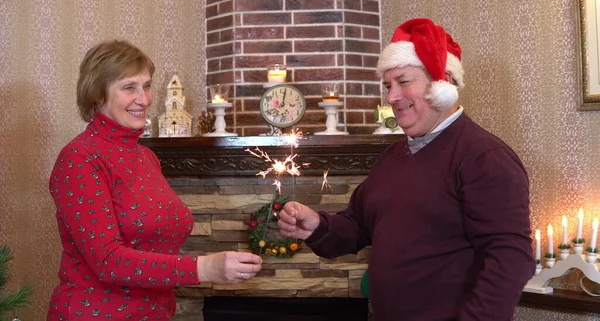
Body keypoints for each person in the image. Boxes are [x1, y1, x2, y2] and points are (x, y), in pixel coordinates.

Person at [278, 18, 535, 320]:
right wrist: (318, 227)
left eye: (403, 82)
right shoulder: (393, 156)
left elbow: (510, 258)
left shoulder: (484, 157)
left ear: (443, 84)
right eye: (388, 86)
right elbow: (359, 225)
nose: (391, 97)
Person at [47, 40, 262, 320]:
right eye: (129, 88)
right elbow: (108, 262)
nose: (145, 99)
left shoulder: (146, 157)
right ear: (97, 95)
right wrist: (205, 268)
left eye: (147, 86)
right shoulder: (79, 158)